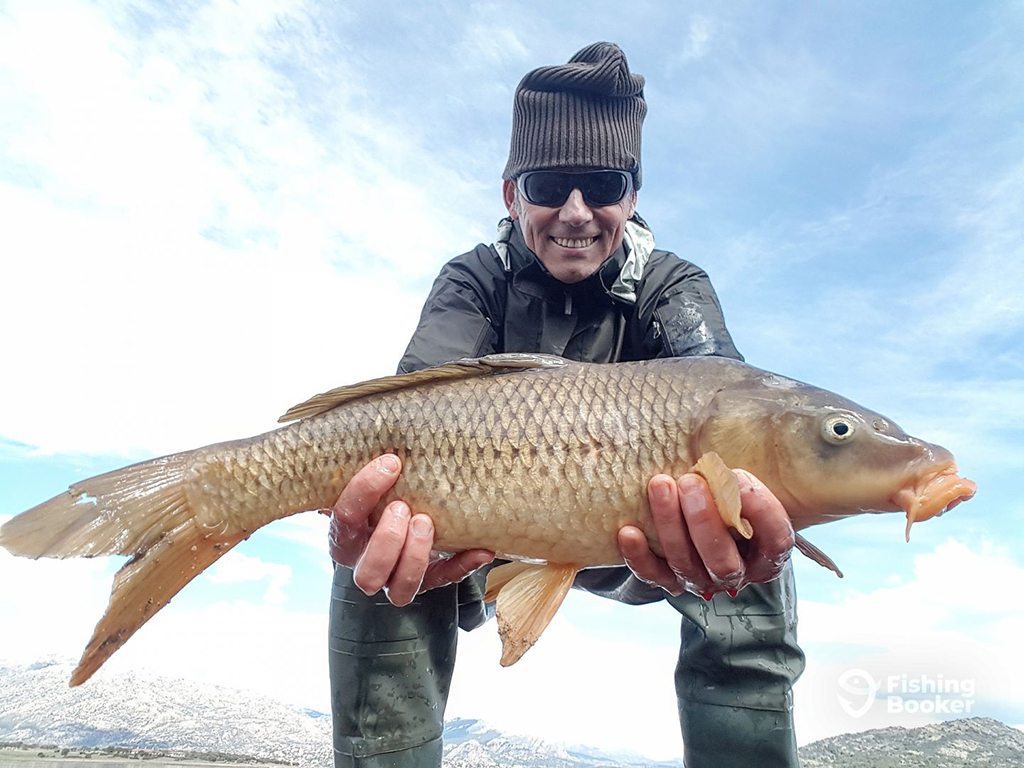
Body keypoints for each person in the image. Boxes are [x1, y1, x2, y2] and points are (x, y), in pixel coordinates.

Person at [326, 43, 804, 768]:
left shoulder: (672, 285)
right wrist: (366, 521)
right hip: (486, 530)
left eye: (604, 185)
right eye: (550, 184)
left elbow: (722, 390)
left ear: (633, 196)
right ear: (513, 193)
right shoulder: (473, 281)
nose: (576, 214)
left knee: (747, 538)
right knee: (385, 539)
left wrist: (735, 518)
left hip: (644, 543)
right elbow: (410, 416)